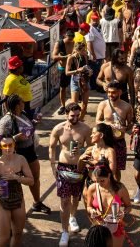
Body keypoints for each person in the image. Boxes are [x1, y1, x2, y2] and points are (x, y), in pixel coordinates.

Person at [0, 95, 50, 214]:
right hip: (16, 154)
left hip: (29, 151)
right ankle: (9, 207)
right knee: (13, 182)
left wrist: (35, 123)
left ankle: (37, 202)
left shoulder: (23, 114)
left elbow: (29, 129)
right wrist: (16, 138)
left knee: (35, 177)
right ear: (17, 105)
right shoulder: (6, 121)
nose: (24, 103)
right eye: (21, 102)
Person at [49, 102, 91, 246]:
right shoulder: (58, 129)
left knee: (75, 197)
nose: (76, 118)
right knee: (64, 200)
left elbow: (91, 148)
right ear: (66, 114)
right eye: (73, 115)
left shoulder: (85, 129)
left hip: (79, 167)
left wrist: (82, 150)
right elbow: (52, 147)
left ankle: (73, 216)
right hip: (63, 168)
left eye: (78, 115)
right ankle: (64, 231)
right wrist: (53, 166)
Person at [0, 136, 34, 247]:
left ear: (14, 145)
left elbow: (31, 181)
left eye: (10, 145)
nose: (7, 148)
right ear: (0, 147)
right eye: (4, 146)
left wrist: (16, 177)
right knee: (4, 238)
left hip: (18, 199)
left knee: (18, 233)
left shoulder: (21, 159)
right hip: (2, 201)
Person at [84, 162, 133, 247]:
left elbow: (128, 206)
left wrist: (123, 213)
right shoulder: (92, 188)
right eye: (97, 181)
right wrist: (92, 210)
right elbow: (88, 206)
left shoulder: (120, 189)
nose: (100, 184)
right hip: (99, 226)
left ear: (109, 176)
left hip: (115, 226)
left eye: (102, 180)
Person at [95, 81, 134, 181]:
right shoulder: (103, 104)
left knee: (116, 170)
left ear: (120, 92)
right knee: (100, 167)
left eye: (113, 92)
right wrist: (109, 124)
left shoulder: (127, 107)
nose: (110, 95)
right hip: (105, 143)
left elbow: (131, 124)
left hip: (119, 142)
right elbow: (97, 121)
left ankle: (116, 190)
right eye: (108, 92)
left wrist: (124, 128)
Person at [66, 41, 91, 121]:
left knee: (85, 103)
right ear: (77, 50)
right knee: (74, 105)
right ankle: (73, 120)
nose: (84, 52)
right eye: (83, 50)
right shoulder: (71, 58)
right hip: (75, 81)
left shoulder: (85, 56)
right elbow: (67, 72)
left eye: (84, 50)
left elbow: (87, 67)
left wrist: (90, 71)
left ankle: (80, 120)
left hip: (84, 80)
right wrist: (77, 71)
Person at [53, 30, 76, 115]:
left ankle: (75, 101)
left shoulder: (74, 43)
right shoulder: (59, 43)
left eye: (71, 39)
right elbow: (54, 56)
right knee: (63, 88)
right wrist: (65, 57)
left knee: (75, 86)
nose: (70, 40)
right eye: (69, 39)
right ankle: (62, 106)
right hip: (63, 68)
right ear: (65, 36)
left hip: (72, 67)